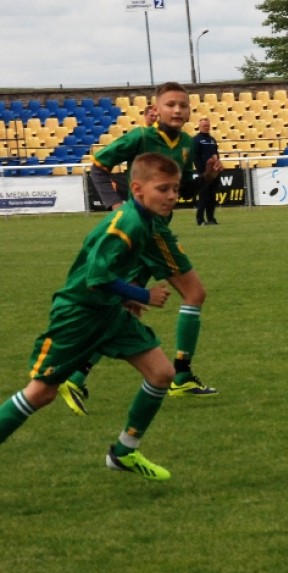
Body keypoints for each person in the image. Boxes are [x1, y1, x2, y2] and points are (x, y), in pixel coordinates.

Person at [0, 153, 185, 480]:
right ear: (137, 189)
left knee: (161, 374)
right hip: (79, 315)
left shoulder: (146, 221)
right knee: (41, 392)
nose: (171, 196)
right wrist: (143, 295)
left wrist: (126, 296)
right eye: (163, 189)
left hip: (109, 312)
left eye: (175, 188)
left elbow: (113, 271)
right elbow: (96, 277)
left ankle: (124, 452)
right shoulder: (126, 223)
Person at [58, 81, 220, 417]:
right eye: (171, 104)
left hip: (151, 230)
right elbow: (98, 166)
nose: (178, 110)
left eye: (183, 105)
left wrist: (206, 177)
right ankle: (181, 376)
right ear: (155, 110)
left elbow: (182, 190)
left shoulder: (186, 144)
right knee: (194, 294)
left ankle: (74, 376)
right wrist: (115, 203)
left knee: (126, 307)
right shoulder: (140, 137)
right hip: (150, 231)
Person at [193, 117, 221, 226]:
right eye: (204, 125)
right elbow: (195, 157)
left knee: (212, 196)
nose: (206, 127)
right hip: (204, 173)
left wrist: (217, 166)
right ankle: (200, 220)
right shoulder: (196, 140)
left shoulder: (212, 140)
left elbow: (216, 154)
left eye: (208, 125)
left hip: (214, 172)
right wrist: (202, 171)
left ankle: (211, 218)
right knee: (204, 196)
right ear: (199, 126)